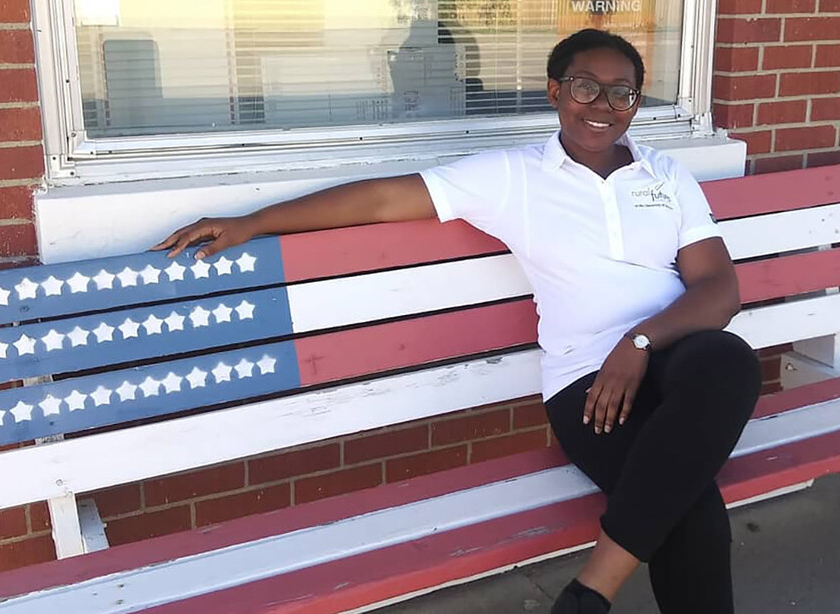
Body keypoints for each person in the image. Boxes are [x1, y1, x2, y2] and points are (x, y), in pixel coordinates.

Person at [155, 28, 760, 614]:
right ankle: (587, 599)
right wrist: (254, 222)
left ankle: (592, 589)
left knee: (729, 359)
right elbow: (383, 199)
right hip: (586, 384)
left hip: (671, 356)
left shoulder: (665, 175)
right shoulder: (512, 177)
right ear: (554, 92)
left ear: (637, 101)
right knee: (692, 510)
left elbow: (720, 288)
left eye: (621, 92)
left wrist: (640, 340)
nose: (601, 105)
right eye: (584, 87)